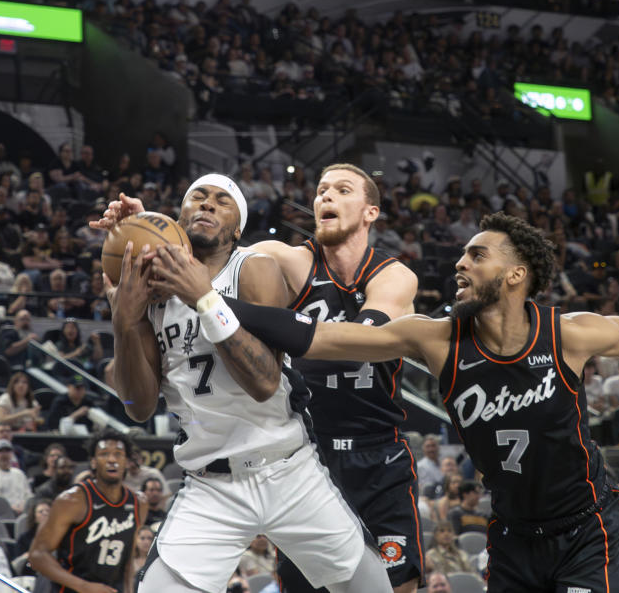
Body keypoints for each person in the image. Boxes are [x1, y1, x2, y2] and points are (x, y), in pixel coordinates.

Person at [207, 212, 619, 592]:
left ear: (516, 275)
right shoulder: (435, 339)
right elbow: (315, 335)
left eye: (476, 255)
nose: (459, 264)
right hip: (512, 536)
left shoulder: (567, 332)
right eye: (461, 255)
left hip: (586, 529)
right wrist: (206, 295)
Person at [96, 165, 422, 592]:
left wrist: (203, 298)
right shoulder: (152, 294)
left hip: (294, 465)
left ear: (238, 230)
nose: (208, 203)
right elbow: (138, 407)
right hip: (211, 481)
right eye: (197, 197)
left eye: (222, 199)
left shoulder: (256, 267)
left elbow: (265, 382)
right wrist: (125, 313)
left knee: (378, 588)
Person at [30, 430, 148, 593]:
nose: (112, 460)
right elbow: (37, 555)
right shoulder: (71, 501)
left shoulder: (139, 503)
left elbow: (127, 562)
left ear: (127, 462)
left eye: (118, 454)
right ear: (93, 462)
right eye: (104, 454)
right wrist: (84, 587)